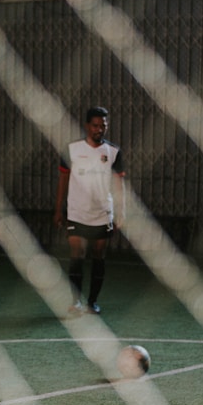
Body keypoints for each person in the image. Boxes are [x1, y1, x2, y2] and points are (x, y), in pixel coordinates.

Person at [54, 106, 125, 315]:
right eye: (95, 125)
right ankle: (75, 301)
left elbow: (119, 185)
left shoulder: (113, 152)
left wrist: (122, 212)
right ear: (87, 126)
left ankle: (92, 302)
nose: (99, 129)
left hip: (102, 213)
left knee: (98, 255)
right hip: (77, 212)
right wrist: (58, 210)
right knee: (77, 253)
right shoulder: (72, 149)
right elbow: (63, 180)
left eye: (103, 125)